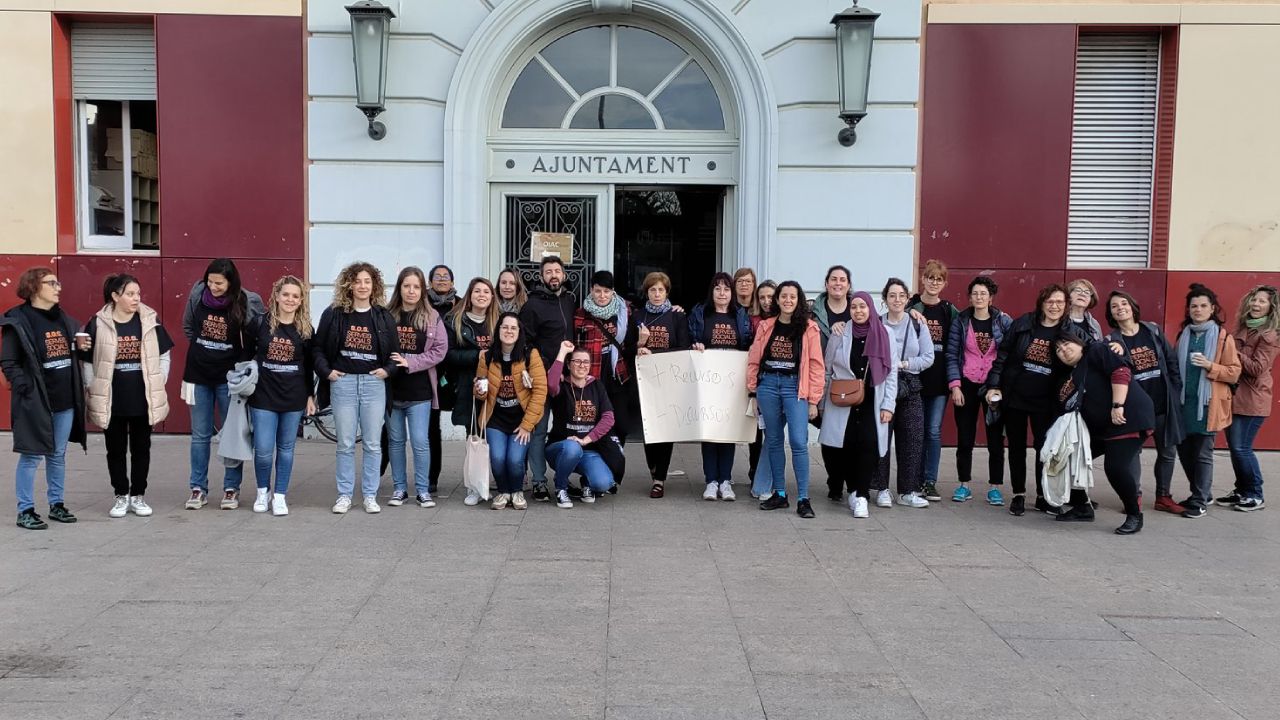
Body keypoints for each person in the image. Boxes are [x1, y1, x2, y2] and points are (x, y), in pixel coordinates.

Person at [1, 268, 88, 529]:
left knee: (57, 454)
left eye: (57, 282)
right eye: (51, 283)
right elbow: (8, 362)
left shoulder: (64, 320)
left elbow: (71, 354)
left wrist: (81, 348)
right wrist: (25, 388)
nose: (58, 287)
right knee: (31, 455)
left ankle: (56, 504)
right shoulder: (18, 321)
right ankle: (25, 510)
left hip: (65, 400)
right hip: (35, 400)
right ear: (33, 287)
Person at [82, 274, 174, 519]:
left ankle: (138, 495)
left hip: (142, 398)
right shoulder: (98, 323)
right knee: (115, 450)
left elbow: (164, 354)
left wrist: (159, 379)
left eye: (138, 294)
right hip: (112, 399)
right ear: (115, 296)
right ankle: (121, 495)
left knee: (142, 449)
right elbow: (87, 361)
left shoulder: (149, 319)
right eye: (130, 294)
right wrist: (92, 385)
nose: (136, 299)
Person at [1051, 326, 1156, 534]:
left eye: (1066, 344)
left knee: (1115, 467)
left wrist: (1118, 405)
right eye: (1058, 350)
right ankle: (1082, 507)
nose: (1064, 350)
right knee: (1069, 457)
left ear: (1079, 342)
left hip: (1126, 418)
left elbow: (1120, 371)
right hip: (1101, 428)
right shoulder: (1072, 374)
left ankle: (1134, 515)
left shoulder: (1096, 351)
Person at [314, 262, 399, 515]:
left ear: (374, 286)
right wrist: (327, 372)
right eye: (357, 281)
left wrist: (387, 370)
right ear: (349, 284)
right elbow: (317, 348)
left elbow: (395, 354)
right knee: (345, 443)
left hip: (374, 384)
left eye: (367, 281)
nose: (362, 286)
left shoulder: (383, 316)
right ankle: (344, 495)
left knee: (372, 443)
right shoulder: (334, 314)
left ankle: (370, 495)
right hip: (344, 383)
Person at [181, 258, 265, 511]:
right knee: (200, 435)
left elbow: (256, 335)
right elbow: (188, 327)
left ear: (231, 282)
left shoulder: (246, 300)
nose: (213, 287)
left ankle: (231, 488)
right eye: (210, 282)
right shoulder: (198, 294)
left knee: (232, 433)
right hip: (198, 373)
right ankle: (198, 488)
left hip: (229, 378)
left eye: (219, 283)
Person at [986, 283, 1068, 517]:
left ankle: (1043, 496)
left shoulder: (1069, 330)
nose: (1054, 306)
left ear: (1066, 305)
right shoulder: (1023, 324)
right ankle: (1019, 494)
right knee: (1017, 448)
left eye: (1059, 302)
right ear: (1042, 303)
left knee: (1045, 449)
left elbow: (1083, 356)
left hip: (1047, 402)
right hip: (1016, 397)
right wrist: (994, 385)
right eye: (1050, 301)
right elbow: (1002, 355)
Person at [1104, 291, 1185, 514]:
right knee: (1133, 453)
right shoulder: (1111, 341)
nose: (1120, 308)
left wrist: (1175, 391)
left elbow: (1171, 361)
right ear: (1110, 314)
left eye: (1124, 303)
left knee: (1167, 452)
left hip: (1162, 404)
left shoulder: (1153, 331)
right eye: (1114, 306)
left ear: (1133, 307)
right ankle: (1134, 497)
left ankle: (1163, 496)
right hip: (1136, 408)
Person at [748, 280, 824, 518]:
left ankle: (803, 498)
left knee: (799, 442)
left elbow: (816, 366)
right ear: (777, 299)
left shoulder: (809, 328)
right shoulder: (766, 326)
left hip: (795, 388)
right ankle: (779, 494)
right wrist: (753, 391)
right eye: (783, 296)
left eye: (792, 296)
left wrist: (814, 400)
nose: (787, 300)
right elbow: (754, 359)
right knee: (773, 440)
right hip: (768, 385)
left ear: (798, 299)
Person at [818, 291, 896, 519]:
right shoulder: (840, 333)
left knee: (869, 446)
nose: (858, 311)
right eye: (854, 307)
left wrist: (888, 405)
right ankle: (851, 489)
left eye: (863, 306)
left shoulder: (885, 333)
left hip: (873, 398)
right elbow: (827, 369)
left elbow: (892, 373)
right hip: (843, 399)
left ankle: (861, 495)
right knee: (842, 447)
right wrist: (821, 402)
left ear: (870, 308)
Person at [244, 275, 315, 516]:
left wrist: (310, 396)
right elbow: (245, 356)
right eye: (286, 294)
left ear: (301, 300)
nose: (290, 299)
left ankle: (280, 495)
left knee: (286, 449)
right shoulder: (259, 323)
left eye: (295, 296)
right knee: (264, 450)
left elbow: (309, 366)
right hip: (263, 395)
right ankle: (262, 492)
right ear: (276, 296)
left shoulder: (306, 330)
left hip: (293, 397)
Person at [1171, 284, 1242, 518]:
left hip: (1208, 405)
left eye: (1203, 306)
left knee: (1202, 454)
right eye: (1194, 306)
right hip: (1184, 404)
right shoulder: (1184, 335)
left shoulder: (1223, 337)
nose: (1198, 310)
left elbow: (1234, 372)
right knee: (1184, 451)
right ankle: (1201, 492)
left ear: (1212, 309)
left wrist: (1211, 366)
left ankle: (1199, 500)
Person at [385, 267, 448, 508]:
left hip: (420, 391)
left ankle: (422, 490)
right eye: (406, 286)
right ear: (399, 288)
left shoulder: (432, 317)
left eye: (416, 286)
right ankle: (399, 489)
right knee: (396, 441)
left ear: (423, 290)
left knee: (420, 442)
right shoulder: (387, 315)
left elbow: (440, 350)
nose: (411, 291)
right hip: (392, 390)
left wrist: (410, 362)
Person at [689, 272, 754, 501]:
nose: (722, 293)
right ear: (712, 292)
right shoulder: (700, 313)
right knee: (709, 431)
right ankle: (710, 481)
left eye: (726, 289)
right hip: (707, 382)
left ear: (732, 292)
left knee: (728, 431)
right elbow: (690, 339)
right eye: (717, 288)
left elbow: (748, 344)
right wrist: (695, 345)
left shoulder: (740, 315)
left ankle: (725, 481)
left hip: (733, 384)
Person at [946, 276, 1012, 504]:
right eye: (975, 293)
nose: (979, 297)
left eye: (983, 293)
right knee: (965, 438)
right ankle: (964, 484)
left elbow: (1009, 354)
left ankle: (995, 487)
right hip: (966, 384)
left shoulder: (1003, 321)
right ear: (970, 297)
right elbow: (952, 354)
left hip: (993, 386)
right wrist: (955, 386)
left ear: (991, 297)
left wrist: (1001, 385)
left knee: (995, 439)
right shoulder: (961, 321)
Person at [872, 278, 934, 509]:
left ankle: (907, 491)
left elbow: (928, 357)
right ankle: (881, 489)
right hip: (882, 386)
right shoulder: (877, 324)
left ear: (908, 299)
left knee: (912, 439)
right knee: (881, 438)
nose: (897, 300)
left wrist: (905, 364)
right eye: (892, 295)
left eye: (901, 295)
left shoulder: (918, 323)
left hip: (911, 385)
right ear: (885, 299)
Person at [475, 313, 547, 509]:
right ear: (498, 330)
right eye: (504, 327)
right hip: (495, 417)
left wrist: (527, 425)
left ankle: (516, 491)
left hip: (521, 418)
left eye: (513, 328)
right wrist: (479, 390)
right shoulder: (487, 356)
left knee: (515, 459)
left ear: (519, 332)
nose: (508, 331)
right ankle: (503, 492)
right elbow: (480, 392)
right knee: (498, 458)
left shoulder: (530, 354)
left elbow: (540, 391)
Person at [519, 256, 576, 500]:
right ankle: (539, 481)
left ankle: (562, 478)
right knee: (539, 431)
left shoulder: (570, 300)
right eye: (549, 271)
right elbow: (526, 343)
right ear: (542, 276)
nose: (554, 275)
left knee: (564, 431)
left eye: (557, 271)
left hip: (567, 380)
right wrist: (546, 369)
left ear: (564, 275)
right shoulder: (532, 305)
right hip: (542, 379)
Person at [1218, 285, 1280, 512]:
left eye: (1262, 301)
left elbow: (1257, 368)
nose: (1256, 304)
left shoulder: (1270, 335)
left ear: (1271, 307)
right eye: (1254, 300)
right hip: (1235, 396)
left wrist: (1232, 351)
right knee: (1236, 448)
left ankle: (1255, 494)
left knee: (1241, 447)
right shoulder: (1243, 328)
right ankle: (1241, 490)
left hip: (1253, 398)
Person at [631, 271, 690, 499]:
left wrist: (656, 354)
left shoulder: (677, 316)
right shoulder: (638, 315)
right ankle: (653, 466)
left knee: (666, 429)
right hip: (645, 381)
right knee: (648, 428)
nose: (657, 294)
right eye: (652, 290)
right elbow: (627, 347)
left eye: (661, 290)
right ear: (646, 292)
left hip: (669, 380)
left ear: (667, 292)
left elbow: (683, 347)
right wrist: (640, 345)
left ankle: (659, 479)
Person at [908, 259, 959, 501]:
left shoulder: (949, 310)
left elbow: (956, 344)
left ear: (944, 283)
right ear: (923, 279)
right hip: (915, 380)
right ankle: (914, 479)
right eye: (930, 278)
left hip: (939, 381)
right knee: (916, 431)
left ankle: (930, 481)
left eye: (939, 279)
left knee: (933, 431)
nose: (934, 283)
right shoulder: (911, 306)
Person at [444, 278, 498, 505]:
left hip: (497, 386)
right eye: (477, 291)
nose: (482, 295)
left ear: (492, 297)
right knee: (475, 436)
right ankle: (474, 487)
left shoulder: (499, 321)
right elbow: (448, 355)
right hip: (469, 386)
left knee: (494, 436)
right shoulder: (455, 321)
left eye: (486, 291)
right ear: (470, 295)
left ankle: (495, 482)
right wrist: (478, 355)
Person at [545, 341, 617, 506]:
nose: (581, 365)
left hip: (588, 450)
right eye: (577, 361)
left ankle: (587, 482)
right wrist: (562, 351)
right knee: (572, 448)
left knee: (603, 483)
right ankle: (561, 487)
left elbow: (608, 418)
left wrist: (586, 440)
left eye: (585, 362)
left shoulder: (597, 386)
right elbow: (551, 384)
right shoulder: (562, 386)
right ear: (568, 365)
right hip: (561, 448)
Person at [573, 270, 633, 445]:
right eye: (598, 291)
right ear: (591, 290)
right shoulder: (581, 314)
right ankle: (596, 458)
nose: (602, 295)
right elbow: (574, 345)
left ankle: (617, 453)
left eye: (607, 291)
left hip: (617, 373)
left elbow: (630, 343)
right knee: (593, 421)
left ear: (613, 291)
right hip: (591, 373)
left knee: (621, 424)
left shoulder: (624, 311)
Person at [811, 266, 853, 501]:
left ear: (849, 285)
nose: (838, 283)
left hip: (851, 384)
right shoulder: (813, 313)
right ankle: (835, 480)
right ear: (826, 284)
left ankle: (848, 479)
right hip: (822, 380)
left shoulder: (859, 309)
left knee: (849, 435)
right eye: (833, 279)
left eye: (842, 279)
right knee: (828, 433)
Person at [748, 280, 777, 496]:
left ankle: (772, 479)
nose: (767, 301)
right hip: (759, 383)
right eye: (762, 297)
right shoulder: (753, 321)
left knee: (774, 435)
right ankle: (755, 475)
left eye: (770, 296)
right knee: (756, 434)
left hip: (781, 385)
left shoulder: (788, 319)